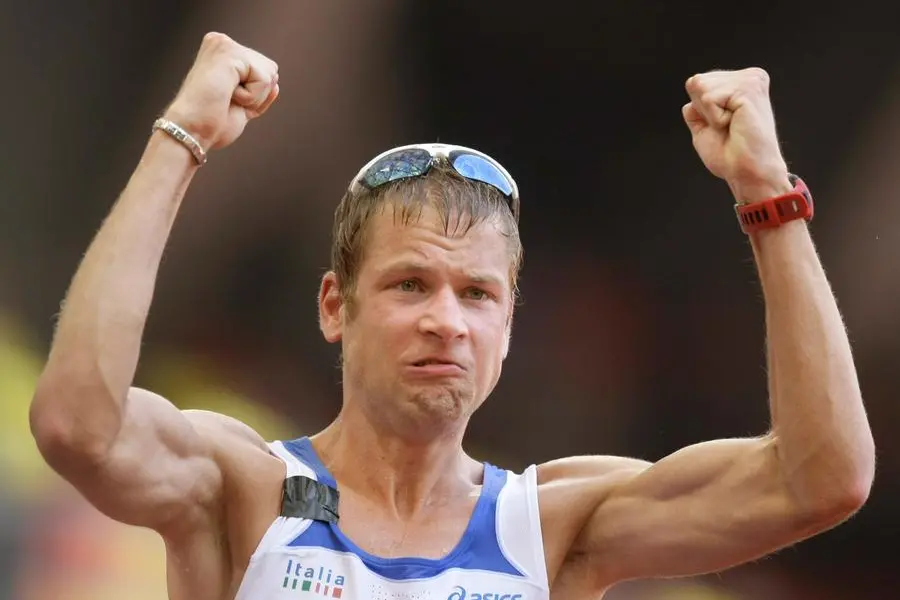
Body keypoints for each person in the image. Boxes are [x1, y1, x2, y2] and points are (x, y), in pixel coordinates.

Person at [28, 32, 875, 600]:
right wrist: (181, 141)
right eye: (408, 286)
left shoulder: (552, 524)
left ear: (509, 325)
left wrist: (768, 196)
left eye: (478, 295)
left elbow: (820, 481)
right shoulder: (242, 487)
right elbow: (79, 427)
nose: (447, 321)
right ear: (335, 306)